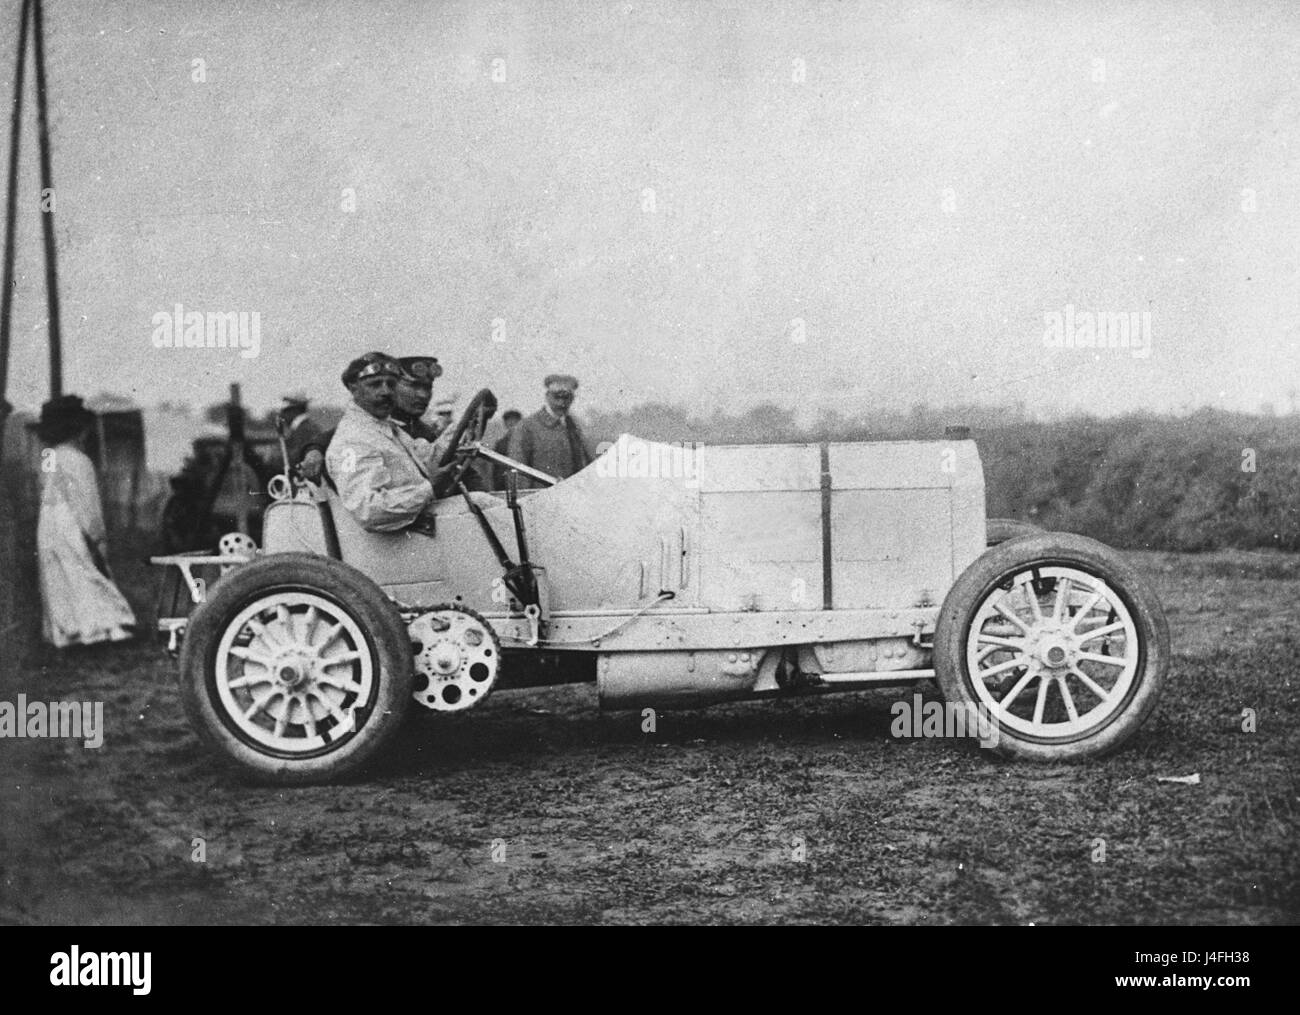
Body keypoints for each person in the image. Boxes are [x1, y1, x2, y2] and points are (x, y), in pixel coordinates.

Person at [324, 352, 492, 533]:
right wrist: (429, 488)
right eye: (375, 384)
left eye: (391, 384)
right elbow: (369, 511)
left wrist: (465, 424)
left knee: (489, 504)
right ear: (353, 388)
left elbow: (429, 458)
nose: (386, 391)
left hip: (420, 527)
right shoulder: (353, 441)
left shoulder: (384, 428)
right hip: (402, 539)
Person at [35, 395, 137, 647]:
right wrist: (97, 536)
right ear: (80, 429)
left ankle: (67, 632)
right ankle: (101, 629)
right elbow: (87, 504)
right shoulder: (79, 461)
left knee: (59, 576)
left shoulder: (48, 456)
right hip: (71, 523)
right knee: (86, 571)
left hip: (49, 523)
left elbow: (43, 490)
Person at [506, 374, 595, 488]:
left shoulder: (574, 428)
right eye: (557, 397)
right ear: (547, 396)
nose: (561, 403)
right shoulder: (527, 427)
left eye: (566, 398)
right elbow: (517, 471)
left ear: (572, 399)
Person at [392, 357, 443, 442]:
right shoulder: (377, 429)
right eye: (414, 386)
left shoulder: (427, 433)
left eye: (428, 387)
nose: (423, 395)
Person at [491, 409, 523, 490]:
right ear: (505, 424)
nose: (512, 425)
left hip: (522, 481)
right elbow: (496, 469)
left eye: (515, 422)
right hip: (504, 483)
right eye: (510, 423)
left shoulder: (526, 442)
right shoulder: (501, 443)